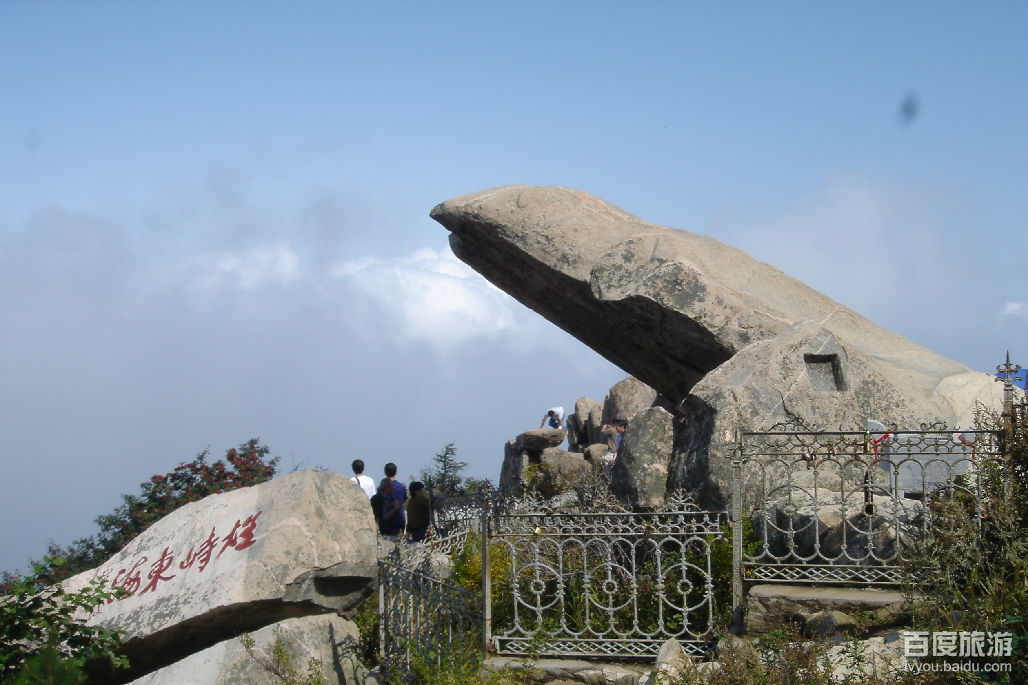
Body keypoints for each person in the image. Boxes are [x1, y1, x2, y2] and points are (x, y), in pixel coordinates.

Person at [384, 462, 407, 535]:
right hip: (400, 519)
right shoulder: (401, 487)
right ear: (396, 472)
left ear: (385, 472)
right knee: (400, 543)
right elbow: (404, 500)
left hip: (387, 520)